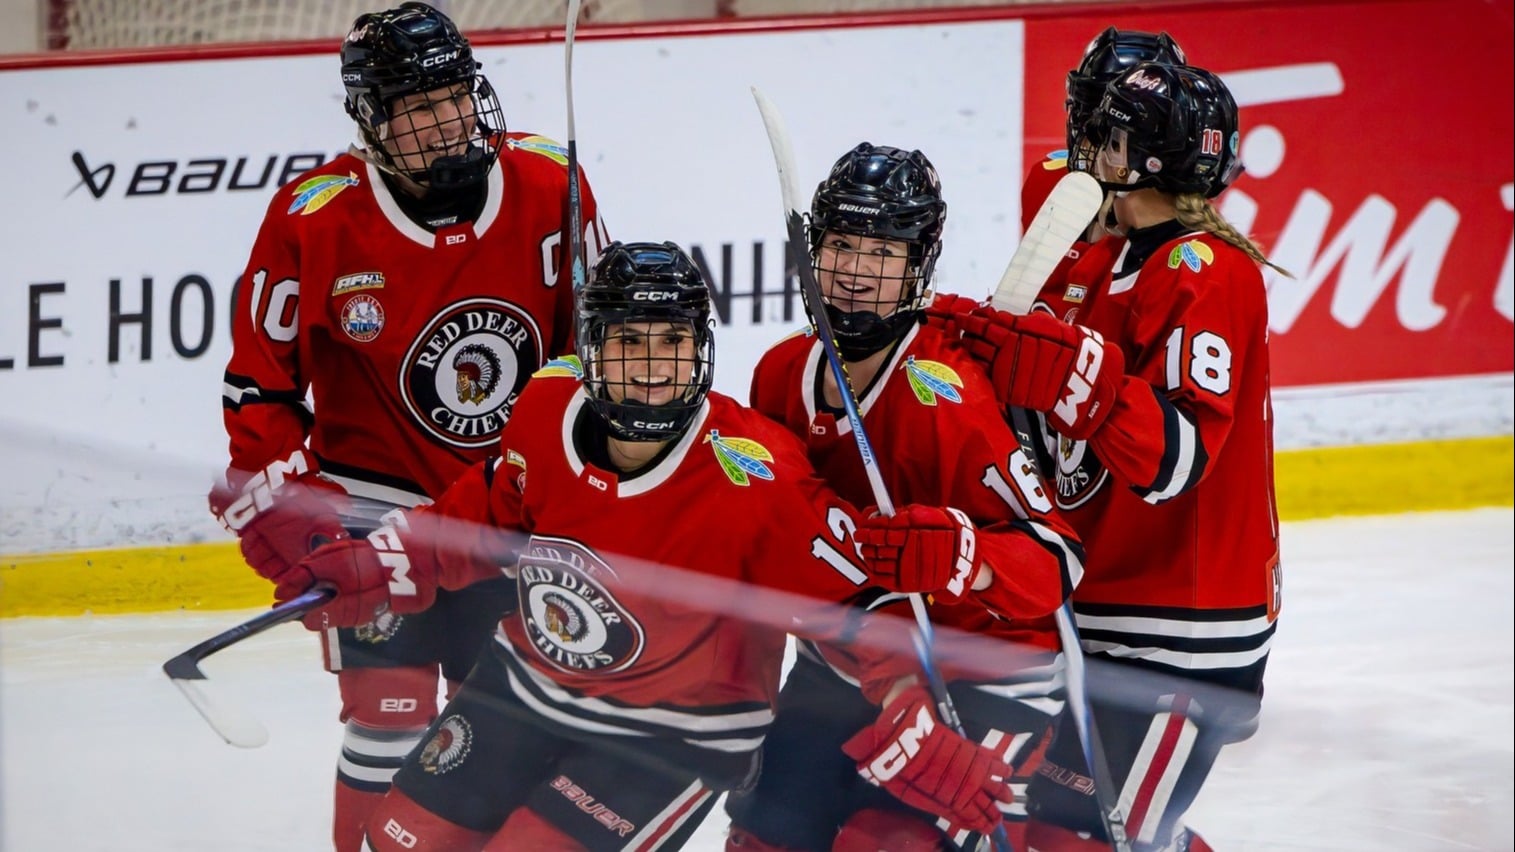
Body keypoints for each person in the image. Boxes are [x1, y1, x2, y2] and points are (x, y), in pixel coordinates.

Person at [279, 241, 1019, 850]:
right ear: (592, 351)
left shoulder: (755, 472)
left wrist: (907, 709)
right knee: (398, 843)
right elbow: (485, 511)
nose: (654, 367)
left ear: (701, 350)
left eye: (673, 342)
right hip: (522, 688)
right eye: (629, 342)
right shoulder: (545, 406)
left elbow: (859, 602)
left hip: (669, 733)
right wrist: (383, 561)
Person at [206, 4, 605, 849]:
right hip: (368, 509)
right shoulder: (313, 216)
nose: (446, 122)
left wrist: (582, 488)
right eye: (418, 108)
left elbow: (595, 356)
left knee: (494, 729)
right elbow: (260, 388)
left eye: (455, 96)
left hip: (503, 511)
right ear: (371, 120)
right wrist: (285, 506)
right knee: (387, 717)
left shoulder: (549, 183)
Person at [952, 62, 1286, 851]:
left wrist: (1071, 377)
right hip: (1103, 606)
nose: (1092, 146)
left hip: (1185, 626)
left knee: (1093, 840)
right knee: (1044, 826)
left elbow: (1177, 460)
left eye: (1110, 135)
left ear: (1148, 156)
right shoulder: (1109, 262)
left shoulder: (1205, 271)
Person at [724, 143, 1086, 851]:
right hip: (842, 668)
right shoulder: (779, 373)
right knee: (761, 842)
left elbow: (1056, 562)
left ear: (919, 264)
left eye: (884, 252)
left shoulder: (944, 395)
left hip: (982, 675)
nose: (856, 271)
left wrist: (966, 558)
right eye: (842, 245)